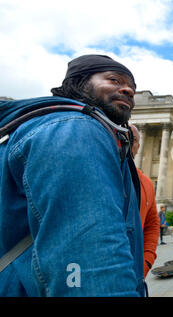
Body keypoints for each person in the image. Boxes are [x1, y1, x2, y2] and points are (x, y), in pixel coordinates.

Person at [0, 54, 146, 296]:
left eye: (132, 87)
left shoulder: (53, 127)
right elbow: (90, 261)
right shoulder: (76, 130)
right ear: (79, 82)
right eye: (114, 80)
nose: (128, 90)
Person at [129, 124, 160, 276]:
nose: (127, 141)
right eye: (123, 136)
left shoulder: (146, 183)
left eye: (132, 139)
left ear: (138, 146)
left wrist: (146, 262)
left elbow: (152, 225)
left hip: (135, 270)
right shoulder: (99, 174)